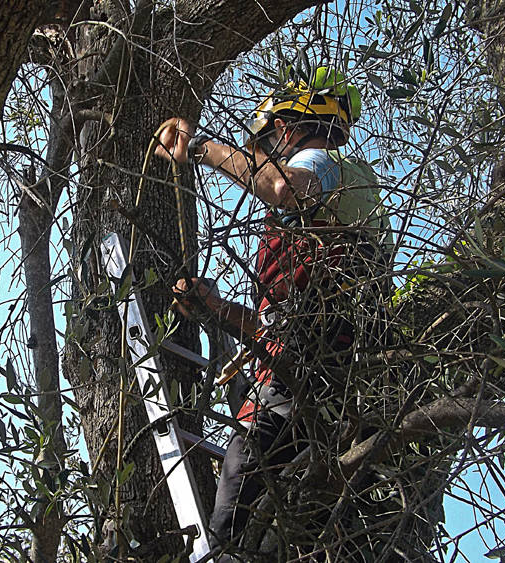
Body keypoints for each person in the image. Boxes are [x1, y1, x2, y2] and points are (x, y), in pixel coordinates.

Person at [153, 67, 388, 557]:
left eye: (266, 142)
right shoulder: (319, 229)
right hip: (317, 369)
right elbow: (277, 326)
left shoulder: (322, 163)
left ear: (287, 126)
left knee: (241, 475)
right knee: (274, 520)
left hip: (311, 368)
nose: (264, 154)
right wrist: (216, 308)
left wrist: (199, 149)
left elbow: (283, 187)